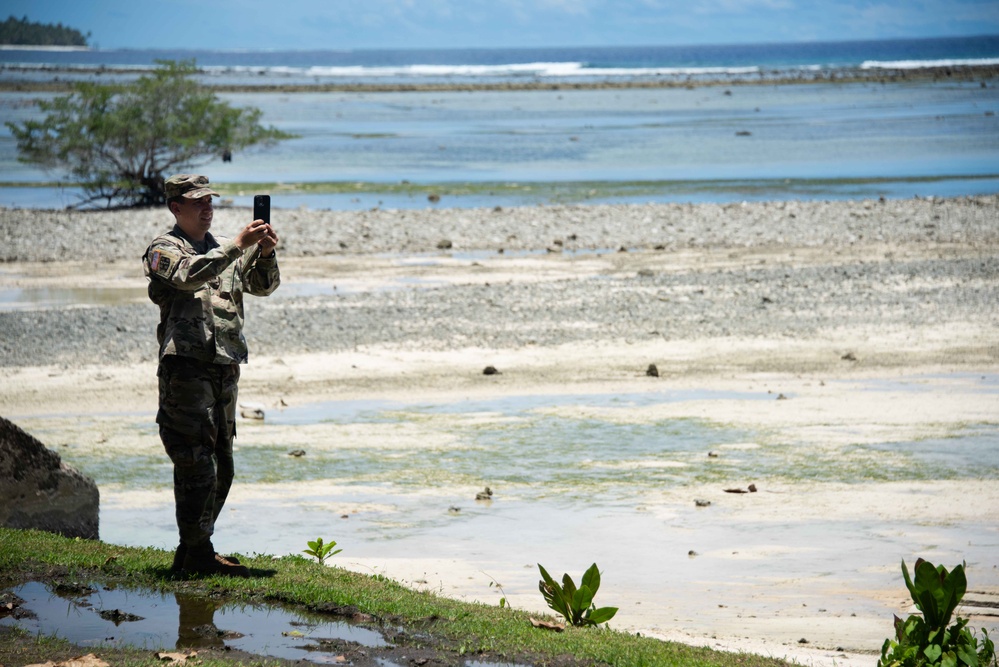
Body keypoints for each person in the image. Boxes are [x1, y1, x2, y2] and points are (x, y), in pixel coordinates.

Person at [142, 174, 280, 577]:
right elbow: (187, 276)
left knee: (223, 464)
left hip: (224, 367)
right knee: (195, 463)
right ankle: (196, 553)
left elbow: (262, 286)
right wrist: (239, 246)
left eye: (209, 201)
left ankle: (195, 550)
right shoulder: (163, 249)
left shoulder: (223, 249)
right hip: (185, 368)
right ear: (176, 208)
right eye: (197, 202)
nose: (207, 208)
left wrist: (265, 253)